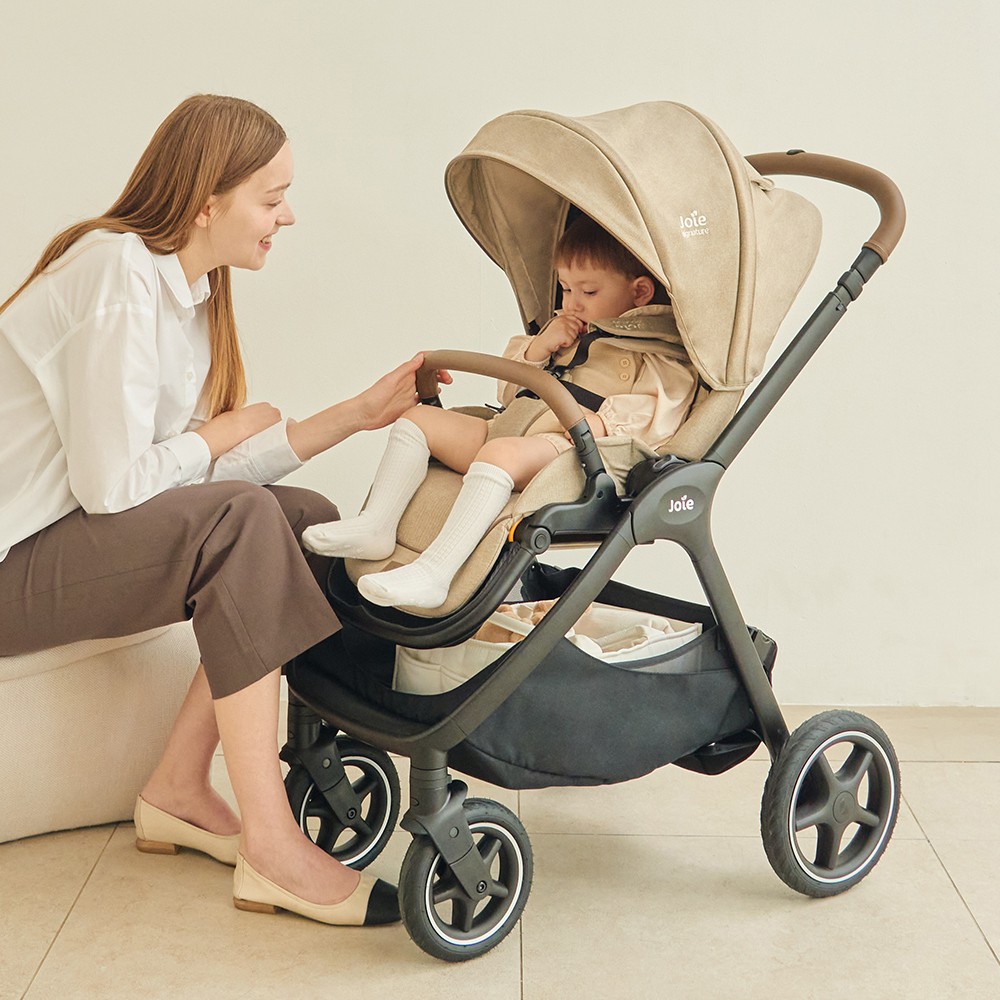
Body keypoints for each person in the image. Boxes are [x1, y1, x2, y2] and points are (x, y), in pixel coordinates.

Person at [0, 94, 430, 927]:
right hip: (13, 559)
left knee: (302, 521)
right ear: (207, 202)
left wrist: (352, 416)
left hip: (60, 543)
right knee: (244, 522)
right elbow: (115, 487)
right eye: (272, 199)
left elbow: (192, 480)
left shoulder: (189, 294)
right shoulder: (116, 270)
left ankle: (178, 787)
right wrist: (223, 431)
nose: (287, 217)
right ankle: (269, 842)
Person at [302, 214, 697, 610]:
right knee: (418, 420)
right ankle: (378, 525)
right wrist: (539, 349)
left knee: (500, 453)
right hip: (513, 428)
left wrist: (602, 423)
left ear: (639, 292)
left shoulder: (655, 354)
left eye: (589, 291)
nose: (572, 303)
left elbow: (662, 411)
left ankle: (437, 573)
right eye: (565, 289)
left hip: (573, 454)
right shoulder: (564, 333)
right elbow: (509, 393)